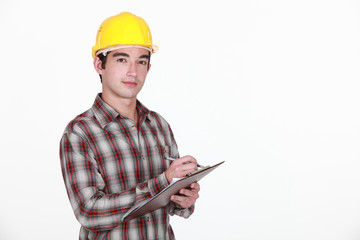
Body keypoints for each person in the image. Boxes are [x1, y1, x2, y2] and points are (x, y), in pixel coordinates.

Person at [59, 12, 200, 240]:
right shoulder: (80, 133)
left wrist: (183, 199)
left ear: (149, 68)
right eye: (122, 59)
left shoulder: (159, 125)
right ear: (99, 64)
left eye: (141, 61)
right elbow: (89, 212)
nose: (133, 71)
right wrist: (162, 181)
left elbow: (171, 203)